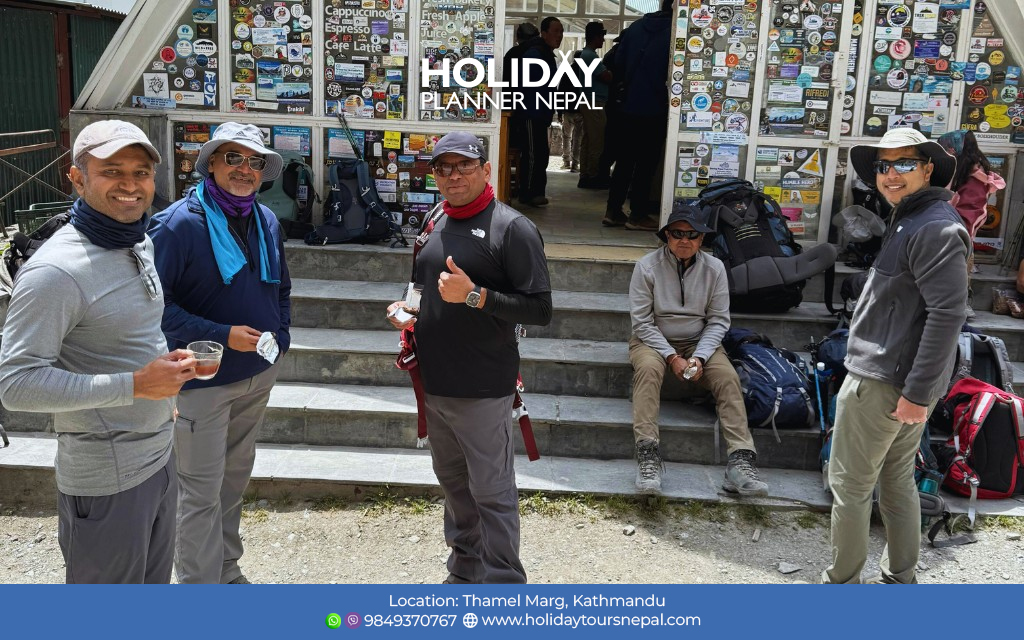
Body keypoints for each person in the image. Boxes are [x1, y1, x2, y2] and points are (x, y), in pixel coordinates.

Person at [0, 120, 198, 583]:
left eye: (141, 171)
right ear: (76, 178)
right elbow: (16, 383)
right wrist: (136, 385)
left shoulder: (138, 239)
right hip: (107, 478)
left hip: (159, 456)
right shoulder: (56, 271)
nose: (130, 184)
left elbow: (130, 336)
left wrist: (164, 381)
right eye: (112, 171)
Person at [386, 131, 552, 583]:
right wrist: (406, 308)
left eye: (464, 165)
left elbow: (540, 310)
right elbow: (419, 283)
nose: (454, 174)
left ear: (485, 170)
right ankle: (464, 572)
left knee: (492, 493)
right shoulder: (434, 218)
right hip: (435, 382)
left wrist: (476, 296)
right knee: (455, 488)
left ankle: (503, 586)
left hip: (484, 387)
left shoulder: (511, 228)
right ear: (435, 175)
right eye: (444, 167)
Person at [149, 122, 292, 584]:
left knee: (232, 484)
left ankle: (226, 572)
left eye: (254, 161)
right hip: (202, 383)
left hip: (255, 377)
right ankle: (199, 590)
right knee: (199, 492)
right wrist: (221, 334)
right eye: (233, 158)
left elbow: (281, 289)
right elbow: (154, 306)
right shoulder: (178, 225)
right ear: (210, 163)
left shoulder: (265, 219)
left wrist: (281, 337)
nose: (245, 169)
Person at [824, 128, 967, 584]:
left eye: (905, 163)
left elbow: (947, 315)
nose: (891, 174)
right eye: (884, 165)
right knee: (897, 482)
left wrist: (917, 393)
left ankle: (840, 587)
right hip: (896, 382)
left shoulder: (935, 226)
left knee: (849, 487)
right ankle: (900, 581)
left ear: (928, 168)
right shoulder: (912, 218)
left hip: (885, 382)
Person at [628, 203, 768, 496]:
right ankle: (648, 455)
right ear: (666, 235)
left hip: (699, 341)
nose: (684, 240)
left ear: (702, 239)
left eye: (692, 234)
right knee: (648, 369)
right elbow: (641, 323)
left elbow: (718, 321)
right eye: (677, 233)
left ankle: (740, 461)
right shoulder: (646, 266)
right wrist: (671, 356)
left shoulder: (715, 268)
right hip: (653, 340)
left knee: (728, 377)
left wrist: (700, 356)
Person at [604, 0, 671, 230]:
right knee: (645, 164)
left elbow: (619, 62)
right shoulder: (676, 32)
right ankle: (638, 214)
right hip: (655, 108)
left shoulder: (635, 28)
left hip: (628, 106)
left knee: (624, 161)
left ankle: (613, 211)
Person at [937, 130, 1005, 314]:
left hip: (957, 239)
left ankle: (959, 309)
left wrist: (951, 236)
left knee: (955, 282)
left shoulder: (974, 178)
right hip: (951, 236)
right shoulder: (963, 172)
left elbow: (969, 214)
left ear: (955, 150)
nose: (945, 155)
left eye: (946, 150)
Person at [513, 16, 563, 208]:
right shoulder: (534, 54)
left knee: (540, 152)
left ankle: (535, 192)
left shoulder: (544, 53)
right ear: (544, 33)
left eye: (561, 32)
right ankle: (529, 193)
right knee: (534, 153)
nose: (559, 36)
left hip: (540, 112)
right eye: (556, 31)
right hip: (531, 112)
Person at [576, 21, 612, 190]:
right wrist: (611, 72)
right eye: (602, 36)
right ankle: (593, 175)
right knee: (597, 140)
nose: (603, 40)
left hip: (587, 100)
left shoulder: (585, 54)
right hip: (594, 101)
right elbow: (606, 76)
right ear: (596, 37)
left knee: (588, 139)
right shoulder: (590, 56)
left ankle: (585, 174)